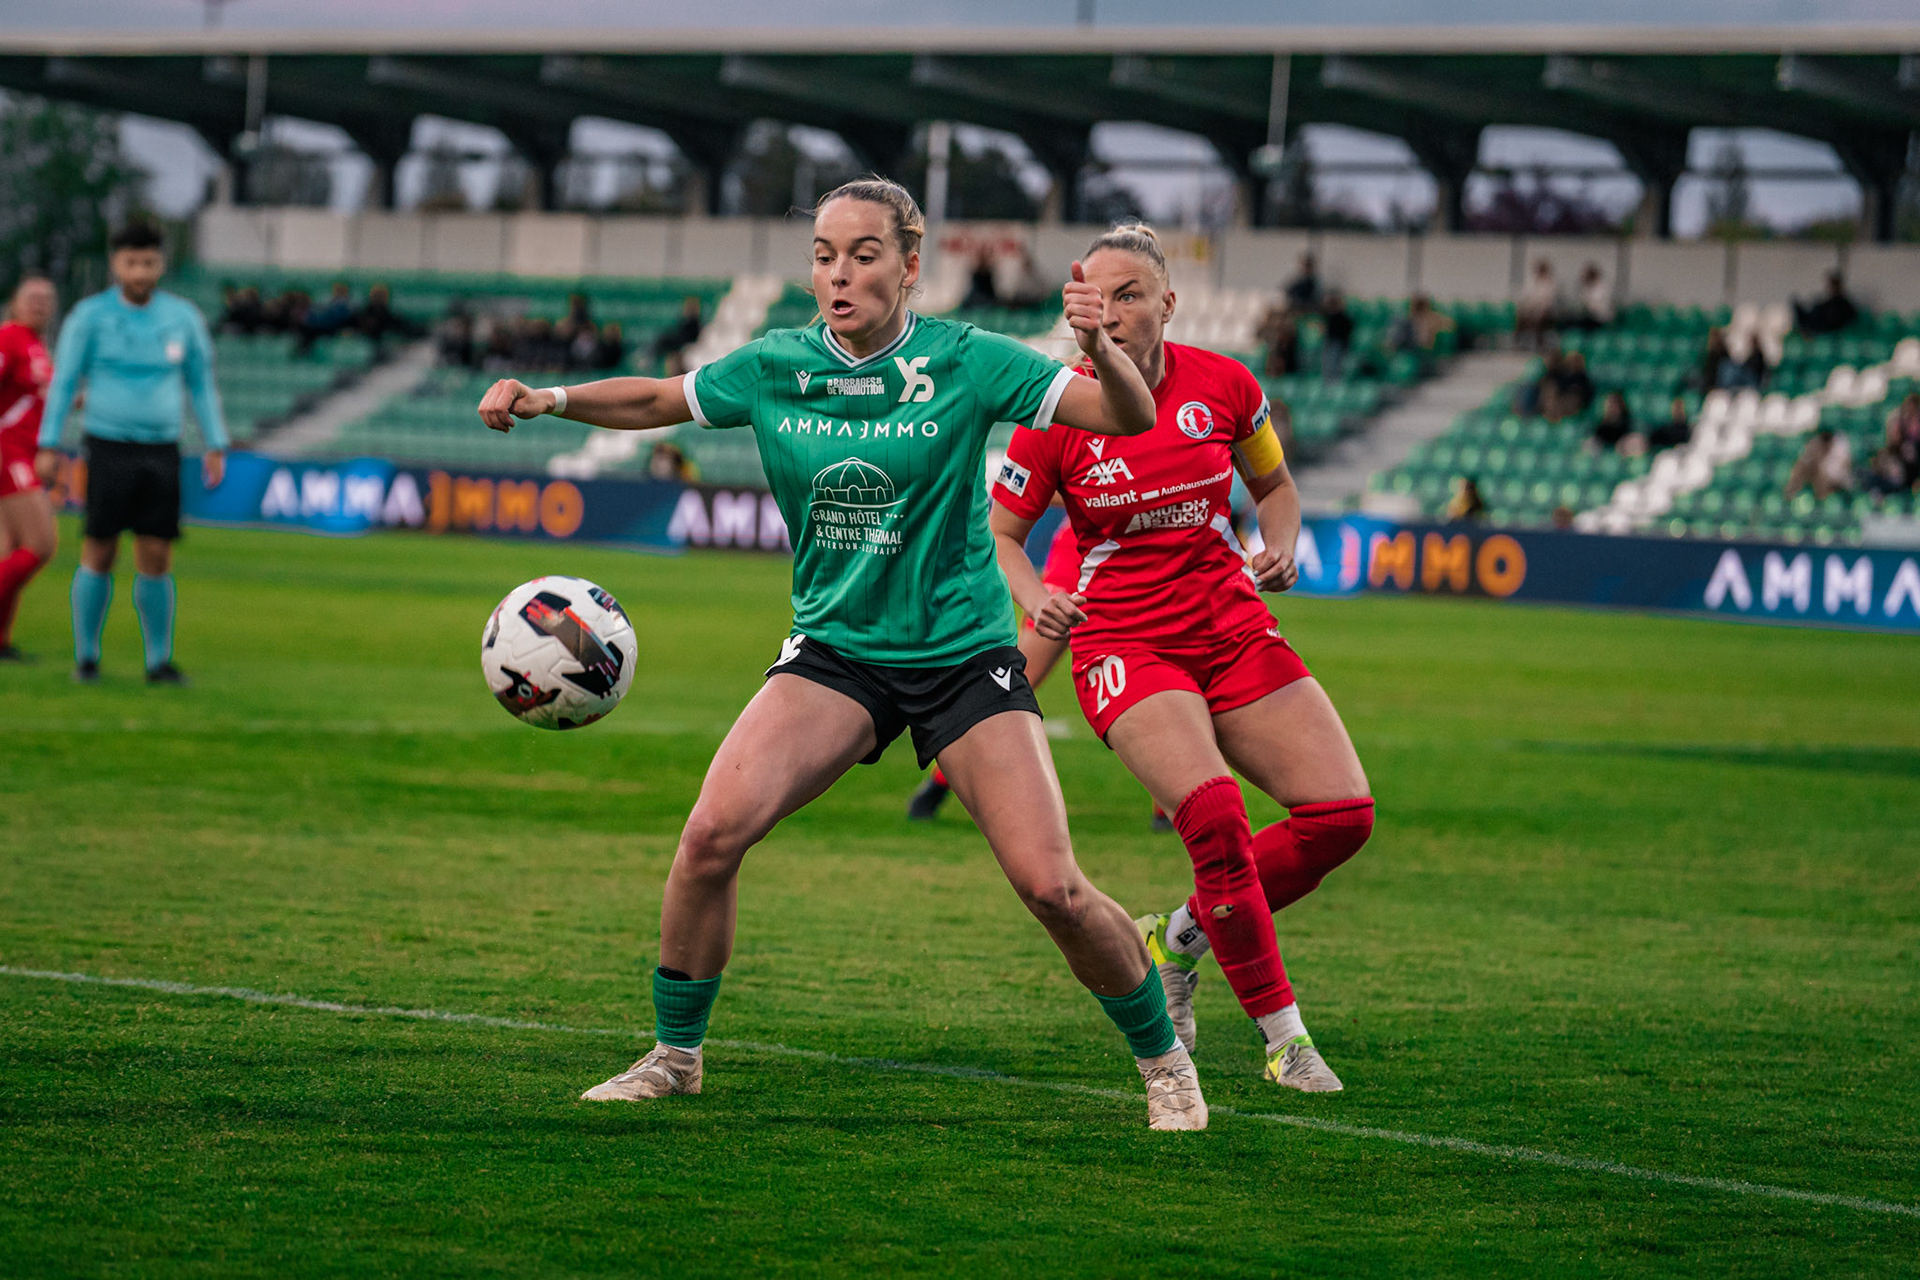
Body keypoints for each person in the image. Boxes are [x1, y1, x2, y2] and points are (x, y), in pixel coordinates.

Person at [476, 177, 1208, 1129]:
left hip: (961, 656)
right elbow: (659, 397)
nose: (838, 273)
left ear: (910, 267)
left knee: (1053, 886)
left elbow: (1130, 418)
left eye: (863, 255)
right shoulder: (776, 364)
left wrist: (1102, 347)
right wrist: (550, 398)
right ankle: (674, 1055)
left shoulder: (969, 360)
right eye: (824, 255)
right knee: (709, 838)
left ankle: (1164, 1062)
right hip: (836, 655)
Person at [987, 223, 1373, 1090]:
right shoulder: (1058, 408)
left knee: (1343, 817)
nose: (1115, 313)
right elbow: (1006, 534)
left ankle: (1181, 937)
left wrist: (1283, 544)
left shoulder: (1227, 385)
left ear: (1170, 302)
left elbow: (1274, 485)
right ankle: (1285, 1040)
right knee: (1217, 820)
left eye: (1132, 296)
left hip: (1232, 626)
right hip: (1124, 640)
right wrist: (1033, 594)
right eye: (1099, 297)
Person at [35, 220, 228, 684]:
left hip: (162, 449)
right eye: (131, 262)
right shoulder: (89, 317)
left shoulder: (183, 317)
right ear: (115, 264)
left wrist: (215, 442)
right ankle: (86, 657)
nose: (140, 272)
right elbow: (64, 383)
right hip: (107, 445)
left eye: (149, 262)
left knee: (157, 553)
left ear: (161, 264)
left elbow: (200, 383)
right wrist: (48, 443)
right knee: (99, 549)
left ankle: (158, 661)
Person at [905, 511, 1176, 832]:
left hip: (1146, 561)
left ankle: (1169, 806)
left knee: (1161, 680)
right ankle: (940, 783)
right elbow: (1048, 487)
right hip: (1078, 558)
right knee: (1004, 688)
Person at [0, 276, 59, 662]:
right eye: (32, 297)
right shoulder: (9, 338)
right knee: (40, 544)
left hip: (21, 450)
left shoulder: (36, 346)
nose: (39, 304)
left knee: (8, 551)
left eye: (47, 299)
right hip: (8, 452)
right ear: (15, 302)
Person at [1786, 426, 1853, 501]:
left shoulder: (1840, 447)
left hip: (1840, 481)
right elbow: (1802, 464)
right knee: (1803, 469)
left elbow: (1845, 466)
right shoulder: (1815, 445)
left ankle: (1834, 501)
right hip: (1817, 478)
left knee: (1824, 473)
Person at [1794, 271, 1859, 336]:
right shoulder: (1831, 301)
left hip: (1824, 327)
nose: (1829, 288)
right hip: (1816, 323)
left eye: (1832, 286)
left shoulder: (1843, 303)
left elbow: (1848, 317)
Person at [1516, 259, 1558, 348]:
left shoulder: (1550, 284)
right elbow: (1527, 298)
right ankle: (1518, 342)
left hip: (1545, 311)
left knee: (1540, 318)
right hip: (1532, 309)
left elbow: (1548, 301)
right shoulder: (1532, 283)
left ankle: (1539, 344)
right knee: (1520, 316)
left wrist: (1539, 308)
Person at [1319, 290, 1353, 381]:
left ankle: (1334, 381)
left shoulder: (1341, 317)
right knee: (1328, 364)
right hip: (1331, 342)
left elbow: (1347, 329)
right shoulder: (1330, 316)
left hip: (1338, 343)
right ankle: (1330, 380)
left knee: (1334, 364)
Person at [1574, 263, 1613, 329]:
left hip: (1600, 318)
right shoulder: (1587, 288)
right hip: (1590, 316)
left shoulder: (1600, 287)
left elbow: (1592, 305)